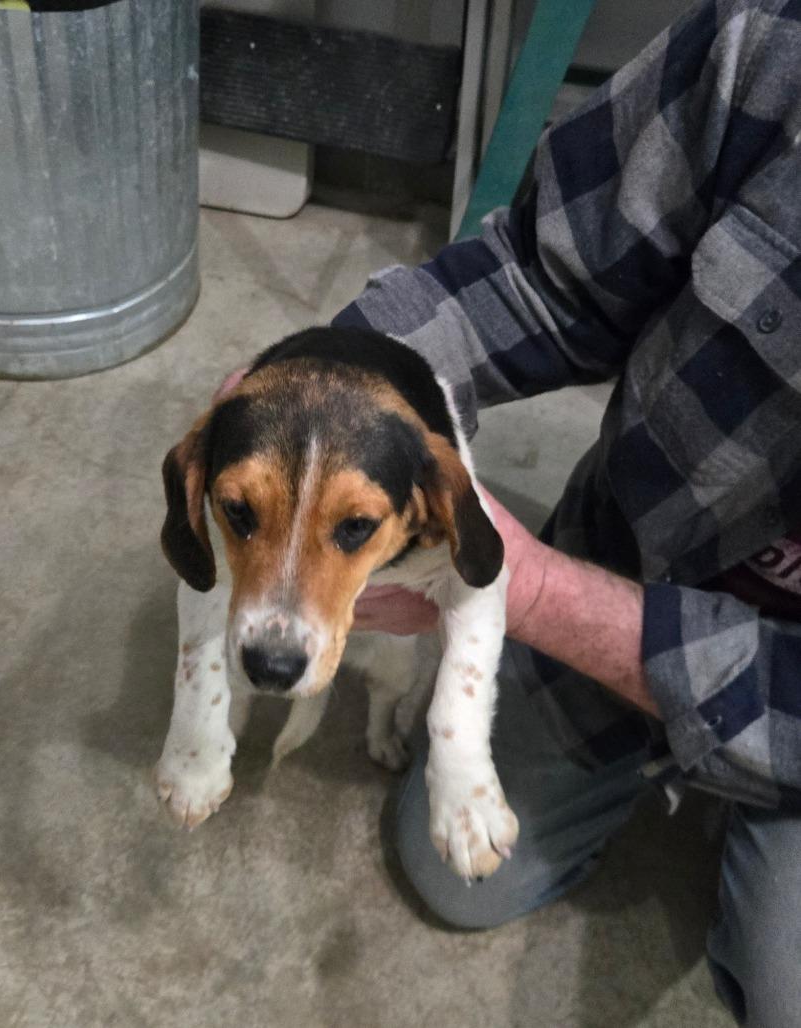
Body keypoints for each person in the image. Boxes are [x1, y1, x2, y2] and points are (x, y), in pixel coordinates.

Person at [328, 1, 801, 1024]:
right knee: (457, 872)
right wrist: (335, 373)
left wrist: (531, 590)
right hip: (649, 547)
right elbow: (542, 274)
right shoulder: (769, 43)